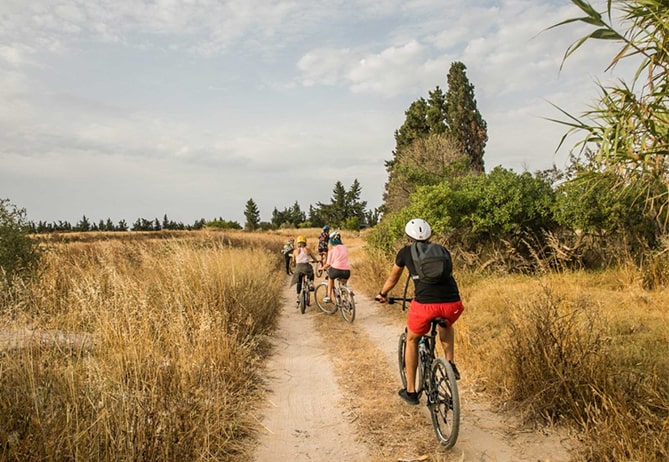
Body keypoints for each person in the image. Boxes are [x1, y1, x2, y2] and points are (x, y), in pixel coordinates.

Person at [375, 218, 464, 406]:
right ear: (429, 236)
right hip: (452, 303)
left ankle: (411, 391)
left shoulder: (405, 252)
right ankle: (450, 364)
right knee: (445, 324)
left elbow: (393, 278)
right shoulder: (442, 250)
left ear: (409, 238)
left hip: (425, 305)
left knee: (412, 339)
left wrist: (383, 294)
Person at [320, 231, 350, 303]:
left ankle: (329, 296)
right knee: (344, 284)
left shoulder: (332, 250)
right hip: (346, 271)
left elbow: (328, 264)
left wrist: (322, 268)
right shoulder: (345, 248)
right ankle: (345, 299)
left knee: (330, 278)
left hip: (336, 270)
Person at [290, 235, 319, 302]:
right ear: (305, 242)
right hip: (306, 267)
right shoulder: (308, 250)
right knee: (311, 271)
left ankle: (298, 296)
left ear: (298, 243)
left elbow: (293, 261)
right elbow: (313, 258)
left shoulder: (295, 251)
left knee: (299, 282)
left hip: (298, 268)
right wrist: (316, 261)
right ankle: (310, 282)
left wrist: (294, 265)